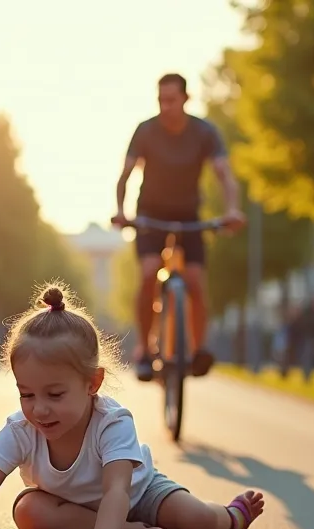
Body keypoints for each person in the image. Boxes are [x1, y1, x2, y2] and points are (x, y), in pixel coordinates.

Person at [0, 283, 264, 529]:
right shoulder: (21, 430)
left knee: (199, 524)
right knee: (29, 512)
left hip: (137, 495)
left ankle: (230, 516)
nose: (39, 410)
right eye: (27, 394)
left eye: (55, 395)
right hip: (72, 509)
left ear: (92, 384)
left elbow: (117, 490)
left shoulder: (111, 422)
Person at [113, 73, 245, 383]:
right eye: (160, 100)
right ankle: (145, 351)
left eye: (171, 100)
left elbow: (224, 174)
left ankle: (198, 350)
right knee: (148, 273)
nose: (165, 106)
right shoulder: (146, 131)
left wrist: (232, 210)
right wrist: (121, 211)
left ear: (186, 99)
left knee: (196, 282)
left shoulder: (204, 133)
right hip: (150, 214)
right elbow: (126, 174)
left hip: (189, 215)